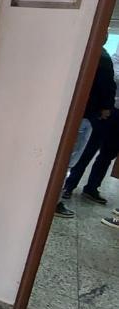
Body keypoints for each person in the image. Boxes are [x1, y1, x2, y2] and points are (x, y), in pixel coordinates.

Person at [55, 44, 116, 216]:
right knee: (73, 157)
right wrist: (106, 107)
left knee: (75, 156)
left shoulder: (88, 53)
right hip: (88, 114)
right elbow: (108, 86)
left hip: (82, 113)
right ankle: (57, 198)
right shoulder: (102, 58)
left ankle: (63, 192)